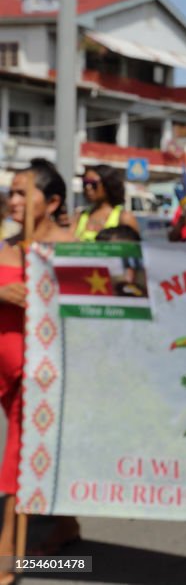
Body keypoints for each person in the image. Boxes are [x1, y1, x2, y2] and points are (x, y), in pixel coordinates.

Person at [0, 160, 78, 577]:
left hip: (41, 373)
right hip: (4, 372)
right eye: (10, 192)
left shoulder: (72, 248)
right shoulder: (5, 243)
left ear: (51, 202)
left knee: (18, 458)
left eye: (21, 193)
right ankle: (66, 527)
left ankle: (7, 557)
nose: (12, 200)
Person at [74, 164, 139, 241]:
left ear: (108, 184)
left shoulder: (124, 217)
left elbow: (133, 249)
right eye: (85, 183)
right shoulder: (80, 216)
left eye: (93, 184)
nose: (88, 187)